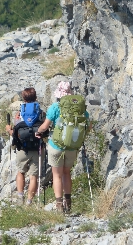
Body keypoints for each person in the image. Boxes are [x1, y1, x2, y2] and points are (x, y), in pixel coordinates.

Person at [35, 81, 91, 213]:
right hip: (72, 146)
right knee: (67, 173)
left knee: (57, 175)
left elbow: (45, 126)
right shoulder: (80, 108)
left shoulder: (55, 107)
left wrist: (38, 132)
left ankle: (59, 205)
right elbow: (88, 127)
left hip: (56, 145)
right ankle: (69, 203)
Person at [5, 87, 44, 205]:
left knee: (20, 172)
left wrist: (9, 130)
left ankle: (20, 197)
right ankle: (29, 201)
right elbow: (45, 131)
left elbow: (16, 134)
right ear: (36, 98)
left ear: (23, 99)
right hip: (37, 149)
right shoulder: (41, 113)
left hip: (22, 148)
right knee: (33, 176)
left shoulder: (19, 114)